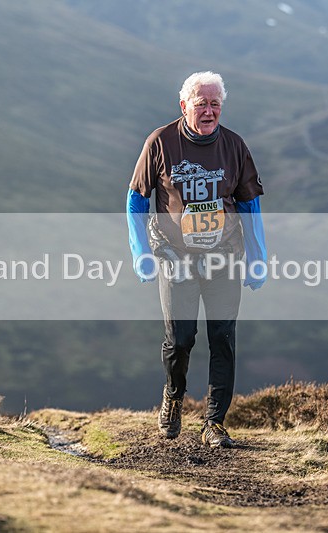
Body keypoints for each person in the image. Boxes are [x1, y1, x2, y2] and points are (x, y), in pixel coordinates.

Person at [126, 71, 267, 448]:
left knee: (223, 338)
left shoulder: (235, 146)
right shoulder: (160, 142)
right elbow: (136, 200)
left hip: (223, 257)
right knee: (181, 339)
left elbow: (250, 204)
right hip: (175, 258)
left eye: (215, 104)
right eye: (201, 103)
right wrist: (140, 251)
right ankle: (173, 395)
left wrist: (258, 255)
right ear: (184, 105)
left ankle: (214, 422)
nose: (209, 111)